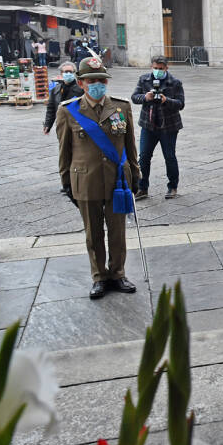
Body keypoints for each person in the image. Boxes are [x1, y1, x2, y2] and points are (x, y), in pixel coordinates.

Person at [56, 56, 141, 300]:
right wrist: (66, 182)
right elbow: (65, 151)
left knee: (117, 232)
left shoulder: (121, 107)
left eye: (101, 80)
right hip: (85, 180)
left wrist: (135, 173)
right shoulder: (68, 111)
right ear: (81, 83)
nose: (98, 85)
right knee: (93, 233)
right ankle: (99, 277)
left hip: (118, 180)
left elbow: (130, 145)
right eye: (92, 81)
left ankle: (118, 273)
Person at [131, 57, 185, 200]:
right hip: (148, 125)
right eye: (156, 68)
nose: (158, 71)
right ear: (151, 67)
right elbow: (134, 97)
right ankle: (142, 188)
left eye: (161, 68)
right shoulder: (144, 79)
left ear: (166, 68)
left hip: (169, 126)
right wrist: (145, 97)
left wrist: (166, 100)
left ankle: (172, 187)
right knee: (144, 157)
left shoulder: (175, 83)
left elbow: (181, 103)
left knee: (169, 156)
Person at [44, 62, 84, 135]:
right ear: (61, 73)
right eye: (66, 72)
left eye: (70, 72)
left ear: (74, 73)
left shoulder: (81, 89)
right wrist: (48, 125)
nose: (68, 74)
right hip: (61, 124)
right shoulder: (56, 89)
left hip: (77, 125)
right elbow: (51, 108)